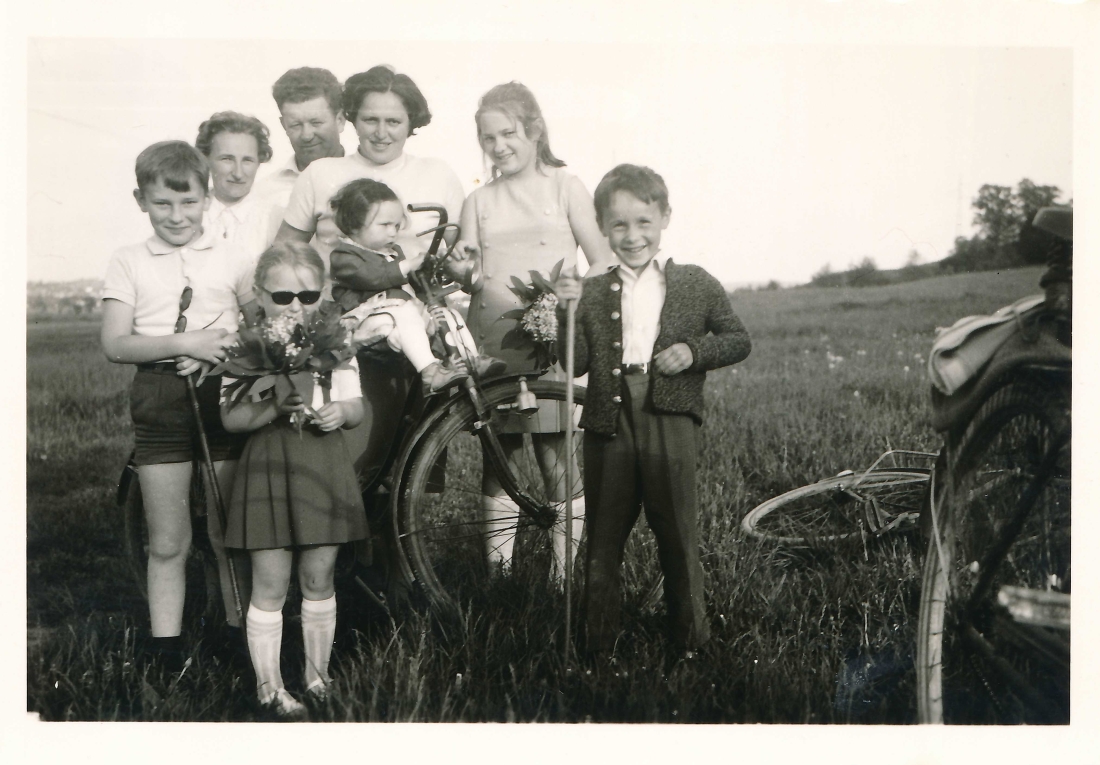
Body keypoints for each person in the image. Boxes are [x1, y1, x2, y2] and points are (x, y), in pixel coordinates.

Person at [554, 164, 751, 659]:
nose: (632, 235)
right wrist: (565, 309)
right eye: (618, 225)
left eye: (643, 221)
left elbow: (737, 339)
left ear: (664, 217)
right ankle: (597, 644)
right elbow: (568, 359)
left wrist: (693, 352)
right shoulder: (593, 290)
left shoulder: (694, 283)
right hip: (608, 418)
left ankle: (690, 642)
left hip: (671, 416)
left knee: (677, 532)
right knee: (603, 534)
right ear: (601, 227)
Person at [276, 64, 465, 494]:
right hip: (345, 336)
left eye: (394, 121)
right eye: (370, 120)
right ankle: (344, 555)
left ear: (412, 123)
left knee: (407, 466)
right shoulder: (321, 173)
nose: (381, 132)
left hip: (413, 335)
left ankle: (396, 559)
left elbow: (453, 256)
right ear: (350, 119)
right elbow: (284, 254)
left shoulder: (438, 174)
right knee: (351, 461)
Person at [100, 141, 253, 670]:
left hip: (228, 395)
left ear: (207, 200)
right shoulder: (129, 260)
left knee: (229, 530)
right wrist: (185, 344)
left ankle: (240, 639)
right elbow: (116, 344)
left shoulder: (234, 256)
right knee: (168, 539)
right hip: (159, 398)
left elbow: (262, 330)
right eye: (163, 204)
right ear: (141, 200)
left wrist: (220, 356)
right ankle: (165, 650)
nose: (177, 216)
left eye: (188, 204)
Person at [451, 81, 613, 580]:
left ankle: (562, 574)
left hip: (553, 337)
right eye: (488, 138)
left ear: (535, 130)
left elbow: (603, 260)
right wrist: (461, 269)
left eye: (508, 133)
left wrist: (563, 305)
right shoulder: (479, 200)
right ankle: (500, 575)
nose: (499, 147)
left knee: (555, 451)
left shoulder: (566, 186)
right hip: (497, 342)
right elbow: (471, 273)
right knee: (501, 455)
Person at [221, 241, 367, 718]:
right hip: (268, 467)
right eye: (282, 297)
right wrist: (270, 407)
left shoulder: (334, 343)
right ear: (261, 296)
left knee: (319, 575)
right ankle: (269, 687)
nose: (296, 307)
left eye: (307, 296)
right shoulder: (244, 346)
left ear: (323, 293)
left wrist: (339, 411)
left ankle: (317, 678)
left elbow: (355, 406)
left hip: (321, 465)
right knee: (270, 580)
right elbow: (231, 419)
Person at [327, 178, 502, 392]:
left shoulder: (393, 253)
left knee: (447, 314)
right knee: (406, 312)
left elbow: (409, 284)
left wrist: (428, 267)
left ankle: (471, 359)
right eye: (384, 225)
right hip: (363, 322)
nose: (393, 232)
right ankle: (430, 372)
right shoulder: (344, 256)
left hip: (397, 319)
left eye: (397, 226)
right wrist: (408, 265)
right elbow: (372, 276)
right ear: (354, 225)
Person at [252, 67, 347, 226]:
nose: (306, 135)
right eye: (295, 125)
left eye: (316, 123)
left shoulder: (368, 177)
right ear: (283, 125)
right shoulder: (263, 192)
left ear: (340, 120)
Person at [194, 111, 274, 259]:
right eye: (227, 159)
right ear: (206, 159)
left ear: (258, 162)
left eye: (247, 160)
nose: (238, 173)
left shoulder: (275, 219)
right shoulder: (188, 212)